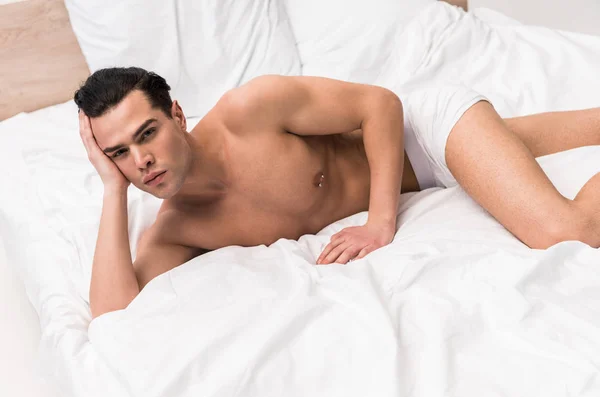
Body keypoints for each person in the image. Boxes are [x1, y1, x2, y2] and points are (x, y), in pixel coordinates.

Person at [75, 67, 600, 319]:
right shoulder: (176, 229)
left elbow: (380, 104)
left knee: (568, 231)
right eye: (118, 152)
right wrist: (110, 190)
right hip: (427, 175)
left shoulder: (249, 110)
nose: (140, 160)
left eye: (146, 133)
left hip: (425, 134)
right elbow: (113, 316)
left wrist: (380, 223)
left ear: (177, 115)